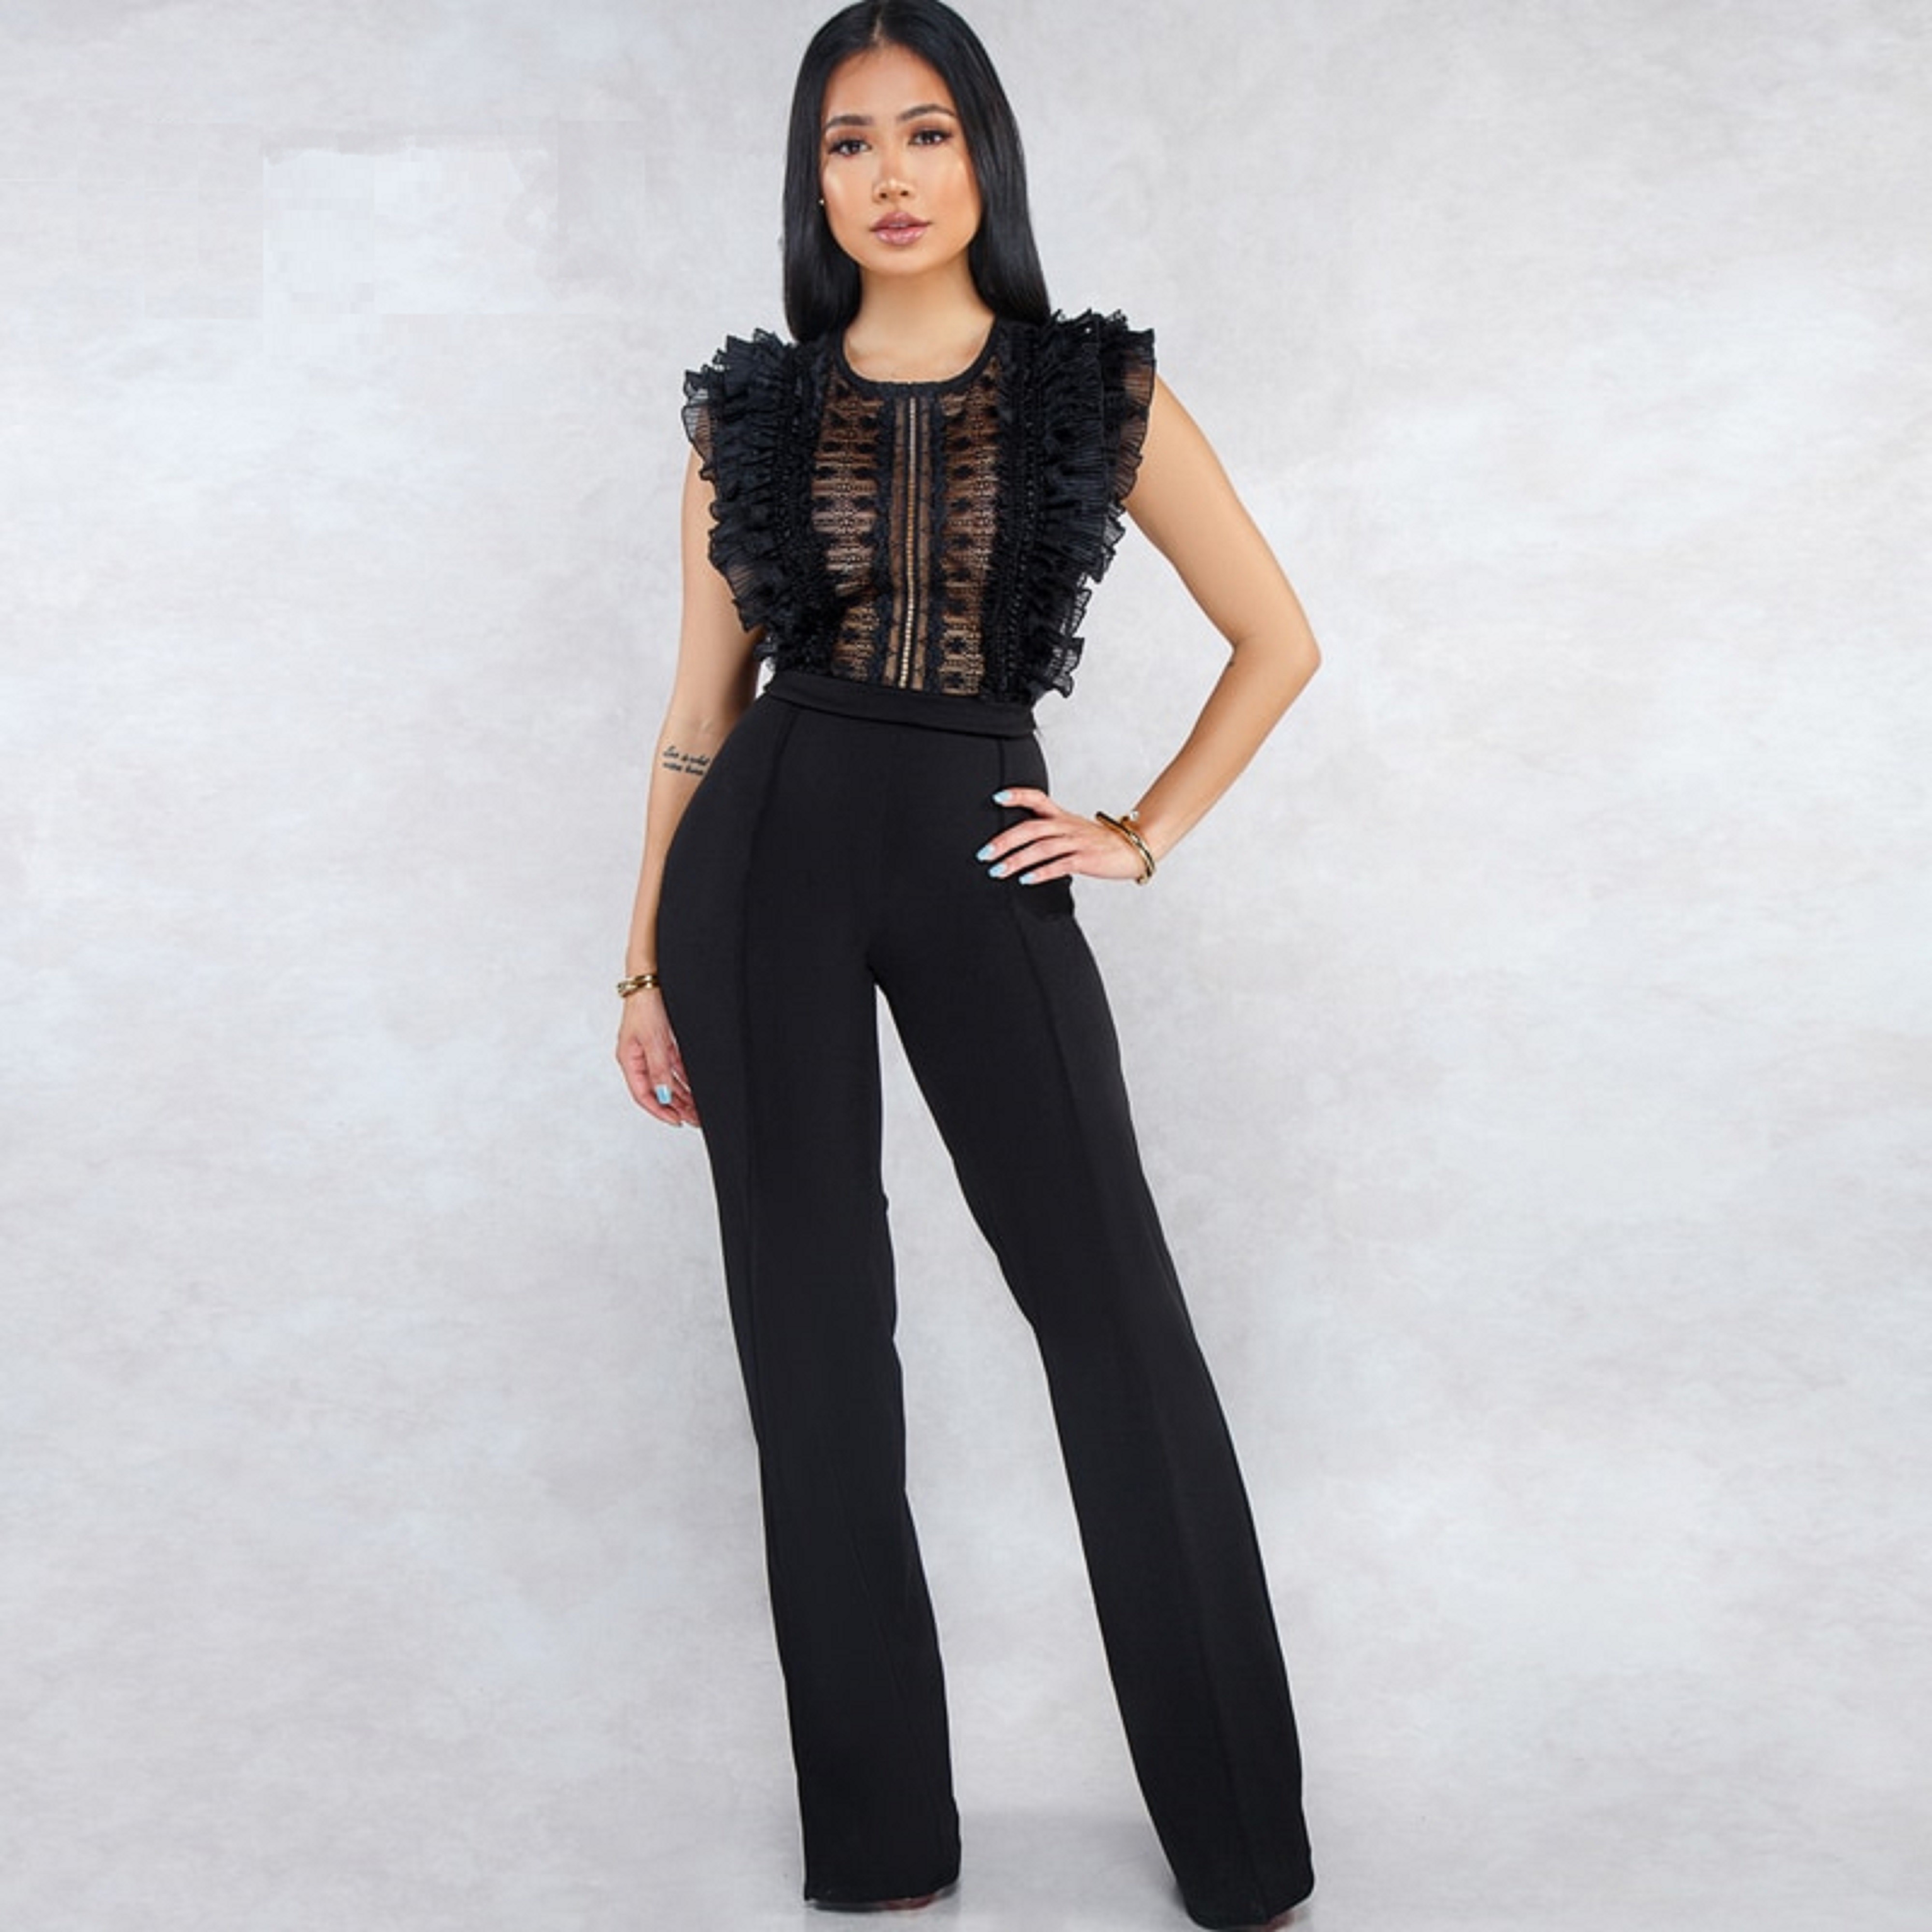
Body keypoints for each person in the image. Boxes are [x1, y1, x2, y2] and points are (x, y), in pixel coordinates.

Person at [615, 3, 1322, 1925]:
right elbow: (697, 715)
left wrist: (1137, 832)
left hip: (979, 852)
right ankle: (880, 1845)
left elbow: (1278, 639)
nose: (892, 176)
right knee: (812, 1342)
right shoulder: (746, 417)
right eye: (849, 143)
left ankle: (1243, 1850)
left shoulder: (1097, 390)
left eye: (925, 133)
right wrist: (638, 964)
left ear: (984, 154)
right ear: (812, 180)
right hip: (762, 855)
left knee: (1115, 1312)